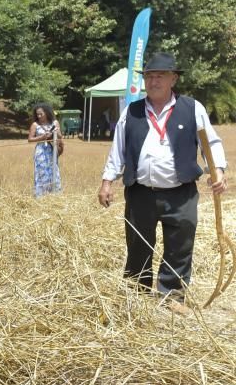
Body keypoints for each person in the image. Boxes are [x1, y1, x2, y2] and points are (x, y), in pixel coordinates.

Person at [97, 52, 227, 304]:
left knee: (180, 247)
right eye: (149, 76)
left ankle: (172, 296)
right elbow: (118, 149)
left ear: (173, 79)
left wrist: (218, 170)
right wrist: (106, 182)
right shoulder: (132, 111)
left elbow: (210, 142)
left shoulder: (192, 108)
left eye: (160, 76)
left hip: (181, 194)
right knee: (138, 245)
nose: (153, 81)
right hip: (140, 193)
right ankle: (137, 293)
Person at [28, 103, 62, 197]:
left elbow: (60, 136)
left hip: (52, 150)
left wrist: (56, 133)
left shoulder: (55, 123)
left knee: (53, 171)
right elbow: (30, 139)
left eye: (41, 114)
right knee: (41, 173)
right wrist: (42, 137)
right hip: (40, 152)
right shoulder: (35, 125)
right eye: (37, 114)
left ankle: (55, 195)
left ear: (47, 113)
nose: (39, 116)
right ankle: (40, 196)